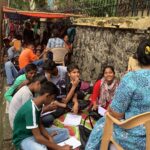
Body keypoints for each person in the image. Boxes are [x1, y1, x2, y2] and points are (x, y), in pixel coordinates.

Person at [85, 39, 150, 150]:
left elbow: (116, 114)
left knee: (102, 124)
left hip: (134, 137)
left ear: (137, 57)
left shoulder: (131, 78)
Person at [13, 81, 71, 150]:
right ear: (47, 96)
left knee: (65, 132)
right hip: (24, 138)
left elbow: (40, 124)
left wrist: (49, 137)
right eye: (52, 98)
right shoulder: (31, 109)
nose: (52, 102)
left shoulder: (38, 104)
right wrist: (60, 148)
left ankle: (45, 144)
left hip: (35, 133)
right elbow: (38, 137)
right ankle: (44, 145)